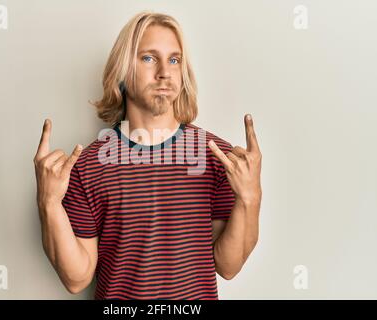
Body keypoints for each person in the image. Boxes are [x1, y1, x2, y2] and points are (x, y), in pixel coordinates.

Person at [34, 11, 262, 300]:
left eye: (174, 60)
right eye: (148, 58)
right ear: (123, 71)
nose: (164, 72)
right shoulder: (86, 167)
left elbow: (228, 266)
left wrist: (250, 197)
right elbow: (77, 279)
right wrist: (49, 202)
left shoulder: (220, 159)